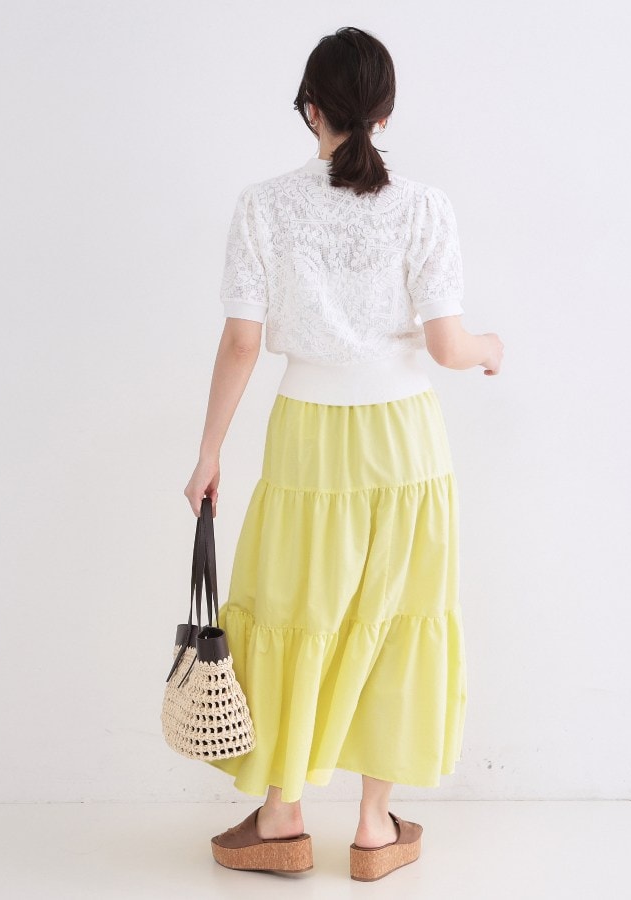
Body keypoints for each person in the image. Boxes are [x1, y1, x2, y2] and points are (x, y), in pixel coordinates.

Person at [183, 26, 504, 881]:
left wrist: (209, 452)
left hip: (308, 441)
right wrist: (491, 349)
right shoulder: (424, 207)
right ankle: (371, 827)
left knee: (293, 611)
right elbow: (448, 345)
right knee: (397, 617)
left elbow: (242, 342)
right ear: (385, 115)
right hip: (405, 441)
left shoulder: (264, 205)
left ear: (309, 109)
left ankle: (282, 815)